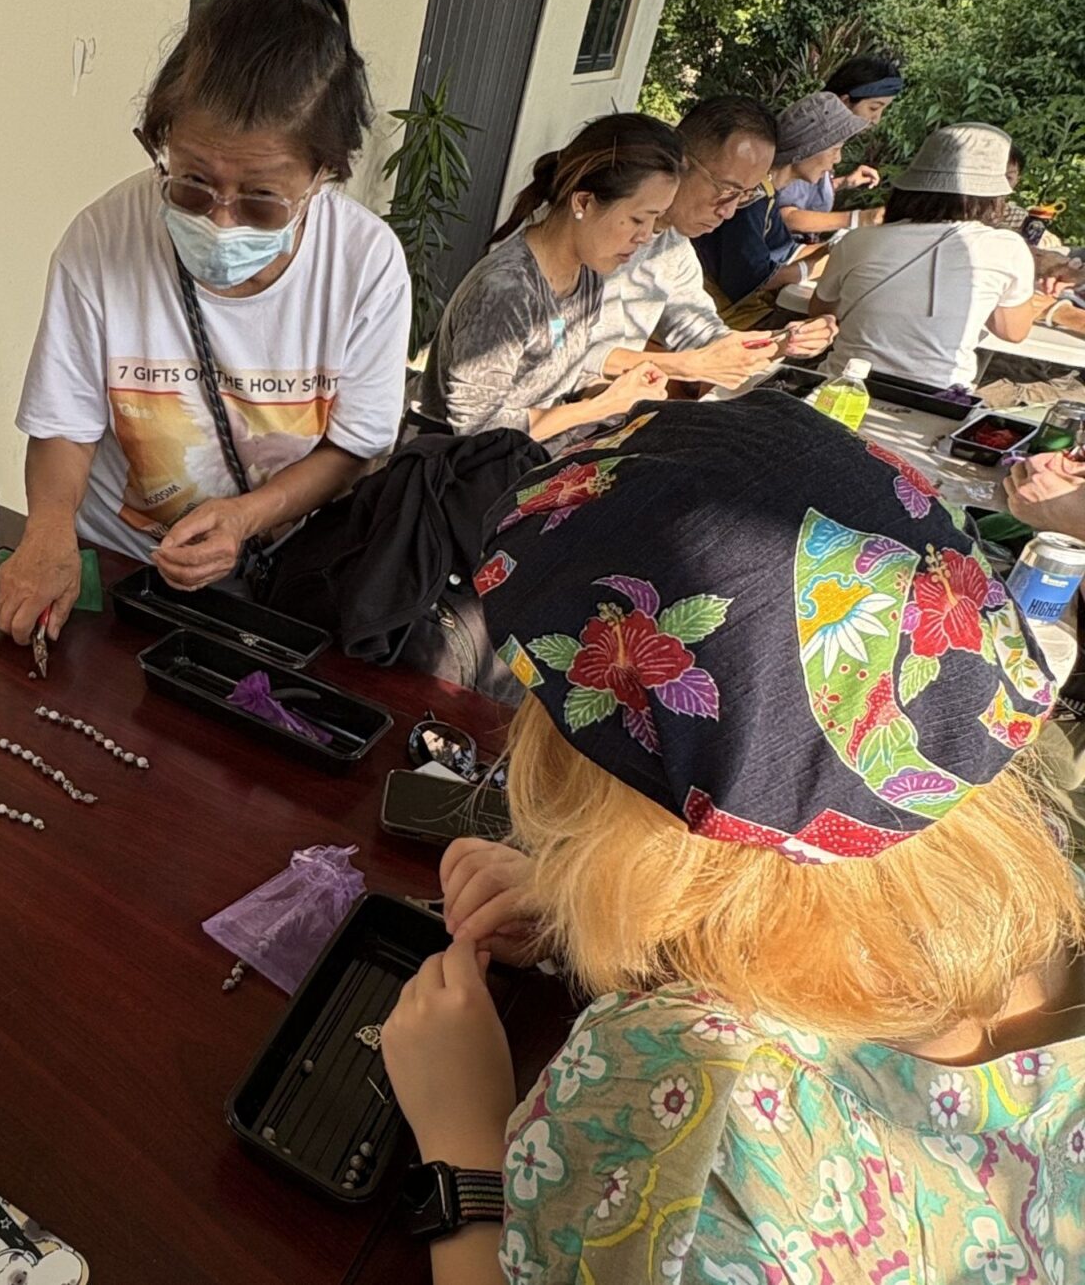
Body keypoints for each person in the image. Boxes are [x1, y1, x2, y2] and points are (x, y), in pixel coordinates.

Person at [377, 393, 1084, 1282]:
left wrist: (463, 1148)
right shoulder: (1044, 887)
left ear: (634, 823)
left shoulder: (666, 1084)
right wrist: (633, 929)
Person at [0, 0, 408, 640]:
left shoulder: (366, 266)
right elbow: (64, 425)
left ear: (324, 175)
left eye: (260, 198)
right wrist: (47, 532)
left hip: (276, 575)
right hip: (122, 563)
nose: (219, 220)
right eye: (190, 183)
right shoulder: (104, 238)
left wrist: (249, 517)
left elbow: (351, 448)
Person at [418, 113, 686, 441]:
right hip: (461, 474)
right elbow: (477, 425)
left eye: (656, 219)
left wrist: (622, 387)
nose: (646, 236)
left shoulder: (586, 275)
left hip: (530, 460)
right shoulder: (508, 289)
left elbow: (565, 365)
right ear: (584, 202)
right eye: (637, 219)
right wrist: (600, 407)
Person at [583, 96, 837, 382]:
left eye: (745, 196)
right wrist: (681, 366)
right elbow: (559, 351)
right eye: (726, 190)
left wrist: (782, 343)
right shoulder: (591, 226)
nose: (728, 212)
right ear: (680, 163)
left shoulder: (673, 245)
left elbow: (700, 331)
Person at [811, 122, 1056, 390]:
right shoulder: (1007, 247)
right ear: (993, 196)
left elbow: (820, 311)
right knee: (1042, 387)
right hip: (938, 398)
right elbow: (1012, 332)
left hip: (842, 386)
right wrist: (1045, 300)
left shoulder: (857, 239)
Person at [696, 92, 870, 327]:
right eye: (834, 148)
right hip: (727, 318)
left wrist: (841, 249)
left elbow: (785, 251)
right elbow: (754, 281)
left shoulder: (767, 194)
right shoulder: (751, 199)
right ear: (807, 148)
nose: (837, 160)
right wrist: (817, 264)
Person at [772, 55, 902, 239]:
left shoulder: (826, 145)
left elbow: (802, 193)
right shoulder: (810, 137)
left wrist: (842, 183)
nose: (877, 120)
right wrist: (859, 219)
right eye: (874, 108)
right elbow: (785, 215)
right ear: (845, 101)